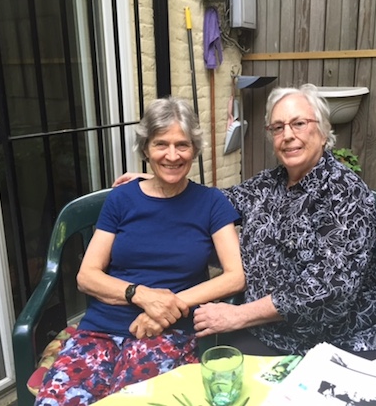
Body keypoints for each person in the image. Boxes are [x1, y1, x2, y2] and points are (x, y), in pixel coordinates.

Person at [113, 83, 376, 360]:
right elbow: (213, 201)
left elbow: (329, 289)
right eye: (278, 127)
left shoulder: (346, 194)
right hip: (270, 333)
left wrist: (238, 315)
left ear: (323, 132)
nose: (288, 135)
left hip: (342, 338)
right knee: (219, 379)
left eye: (299, 124)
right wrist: (162, 180)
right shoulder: (269, 184)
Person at [34, 96, 246, 406]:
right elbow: (87, 276)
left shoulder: (211, 203)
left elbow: (235, 276)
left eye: (182, 145)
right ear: (146, 149)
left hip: (169, 331)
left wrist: (168, 306)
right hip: (99, 329)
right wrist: (142, 295)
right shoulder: (122, 200)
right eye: (161, 144)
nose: (172, 155)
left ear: (194, 149)